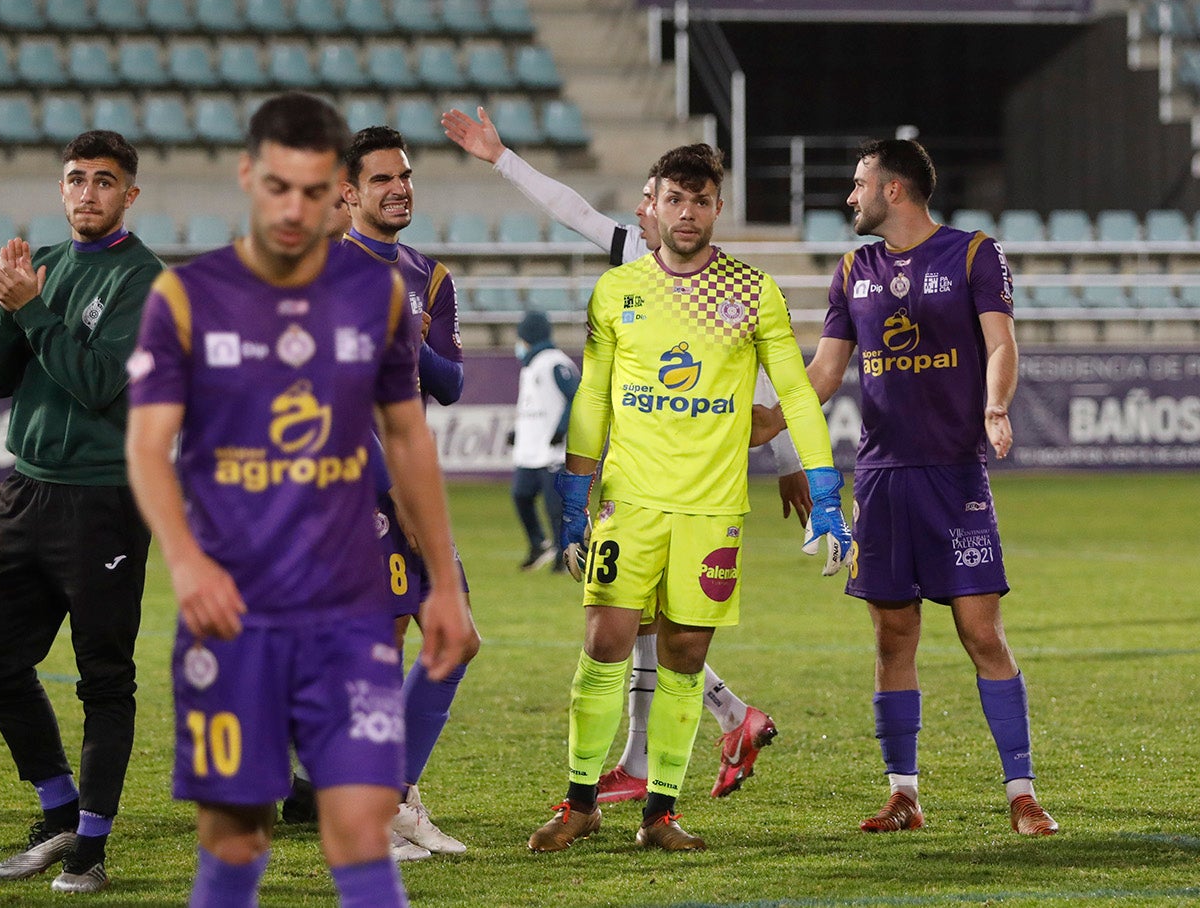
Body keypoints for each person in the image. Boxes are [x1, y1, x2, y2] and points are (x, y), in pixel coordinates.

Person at [125, 91, 473, 907]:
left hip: (347, 585)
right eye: (281, 187)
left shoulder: (380, 298)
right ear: (250, 176)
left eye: (315, 191)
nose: (298, 207)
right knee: (235, 834)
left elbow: (411, 436)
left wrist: (448, 585)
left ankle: (398, 805)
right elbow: (146, 447)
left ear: (333, 196)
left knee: (356, 828)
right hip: (238, 597)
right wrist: (185, 562)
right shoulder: (187, 297)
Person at [443, 105, 807, 800]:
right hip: (634, 479)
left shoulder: (725, 285)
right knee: (639, 625)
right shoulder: (633, 266)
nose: (649, 210)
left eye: (668, 199)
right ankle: (697, 736)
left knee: (653, 630)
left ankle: (666, 757)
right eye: (654, 198)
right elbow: (568, 206)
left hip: (689, 488)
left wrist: (791, 462)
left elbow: (758, 375)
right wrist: (500, 158)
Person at [526, 143, 852, 853]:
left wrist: (825, 486)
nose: (687, 212)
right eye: (675, 198)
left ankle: (660, 814)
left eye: (701, 201)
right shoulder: (618, 291)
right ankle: (580, 802)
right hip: (630, 504)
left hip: (710, 512)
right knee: (604, 642)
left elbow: (794, 391)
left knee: (679, 654)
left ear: (716, 208)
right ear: (653, 201)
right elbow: (592, 395)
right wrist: (577, 486)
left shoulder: (751, 291)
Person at [775, 138, 1057, 836]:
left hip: (954, 473)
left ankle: (1021, 791)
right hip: (882, 477)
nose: (851, 195)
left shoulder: (972, 254)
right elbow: (824, 375)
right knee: (893, 636)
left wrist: (995, 405)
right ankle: (904, 792)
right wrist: (765, 422)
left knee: (980, 631)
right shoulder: (853, 269)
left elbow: (1000, 343)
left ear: (893, 189)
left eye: (860, 182)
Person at [0, 130, 164, 894]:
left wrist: (34, 309)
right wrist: (9, 312)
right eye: (76, 179)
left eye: (104, 181)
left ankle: (92, 846)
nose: (88, 192)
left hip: (107, 497)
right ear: (62, 189)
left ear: (129, 196)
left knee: (103, 676)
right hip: (28, 490)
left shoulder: (148, 282)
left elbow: (98, 385)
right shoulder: (39, 263)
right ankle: (58, 809)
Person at [336, 124, 481, 859]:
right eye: (381, 179)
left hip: (409, 484)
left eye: (406, 176)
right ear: (348, 193)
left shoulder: (430, 275)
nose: (398, 188)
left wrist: (416, 340)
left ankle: (388, 800)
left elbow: (451, 385)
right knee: (383, 644)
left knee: (454, 638)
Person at [508, 310, 579, 572]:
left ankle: (565, 554)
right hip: (529, 449)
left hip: (551, 450)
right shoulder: (530, 366)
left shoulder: (554, 362)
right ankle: (538, 543)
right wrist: (516, 431)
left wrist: (561, 429)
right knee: (520, 495)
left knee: (555, 506)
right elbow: (530, 405)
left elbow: (575, 396)